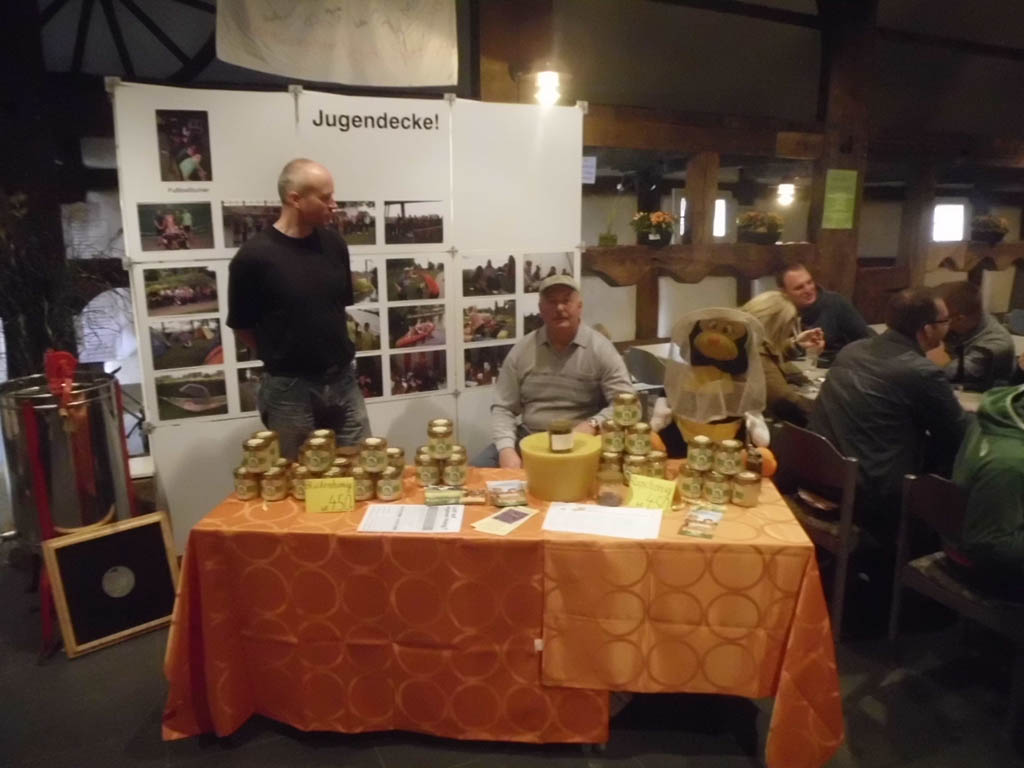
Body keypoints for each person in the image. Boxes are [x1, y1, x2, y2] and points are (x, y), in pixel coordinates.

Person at [227, 158, 370, 459]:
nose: (334, 204)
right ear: (295, 199)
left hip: (343, 382)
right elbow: (242, 325)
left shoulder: (335, 245)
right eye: (325, 197)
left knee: (360, 467)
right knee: (298, 475)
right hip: (289, 390)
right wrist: (282, 357)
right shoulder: (253, 258)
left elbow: (337, 307)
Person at [809, 287, 967, 539]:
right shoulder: (921, 372)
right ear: (927, 330)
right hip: (871, 495)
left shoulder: (852, 350)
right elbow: (957, 435)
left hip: (821, 473)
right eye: (945, 321)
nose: (949, 326)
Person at [472, 274, 635, 468]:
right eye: (552, 302)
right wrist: (506, 449)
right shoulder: (522, 350)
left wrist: (594, 424)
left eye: (566, 300)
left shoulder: (601, 349)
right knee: (474, 472)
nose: (559, 308)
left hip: (582, 442)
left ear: (579, 306)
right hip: (530, 438)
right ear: (541, 309)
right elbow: (503, 407)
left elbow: (628, 404)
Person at [950, 384, 1024, 601]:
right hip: (989, 570)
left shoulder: (993, 416)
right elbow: (991, 547)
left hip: (966, 534)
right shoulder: (1010, 463)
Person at [739, 291, 824, 427]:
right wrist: (825, 411)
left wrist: (796, 344)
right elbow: (786, 401)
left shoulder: (741, 338)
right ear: (776, 327)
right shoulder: (756, 357)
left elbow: (769, 351)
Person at [777, 262, 873, 364]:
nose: (808, 290)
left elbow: (867, 340)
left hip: (834, 365)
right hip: (793, 367)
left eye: (810, 282)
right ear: (784, 292)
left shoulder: (835, 302)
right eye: (799, 288)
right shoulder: (777, 312)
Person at [934, 281, 1015, 390]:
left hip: (983, 396)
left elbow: (950, 373)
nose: (930, 319)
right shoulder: (961, 322)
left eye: (936, 315)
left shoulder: (996, 343)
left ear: (959, 319)